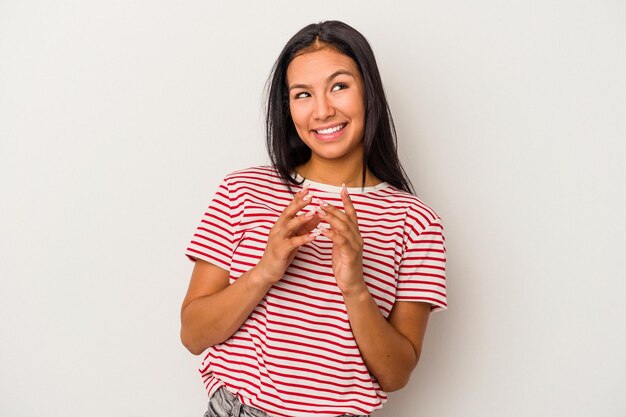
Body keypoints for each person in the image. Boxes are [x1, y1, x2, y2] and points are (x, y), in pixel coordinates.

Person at [180, 20, 447, 417]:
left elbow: (396, 374)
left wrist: (355, 286)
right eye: (302, 94)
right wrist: (266, 269)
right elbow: (193, 334)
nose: (323, 111)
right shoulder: (243, 191)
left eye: (339, 86)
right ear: (288, 108)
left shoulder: (415, 222)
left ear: (368, 92)